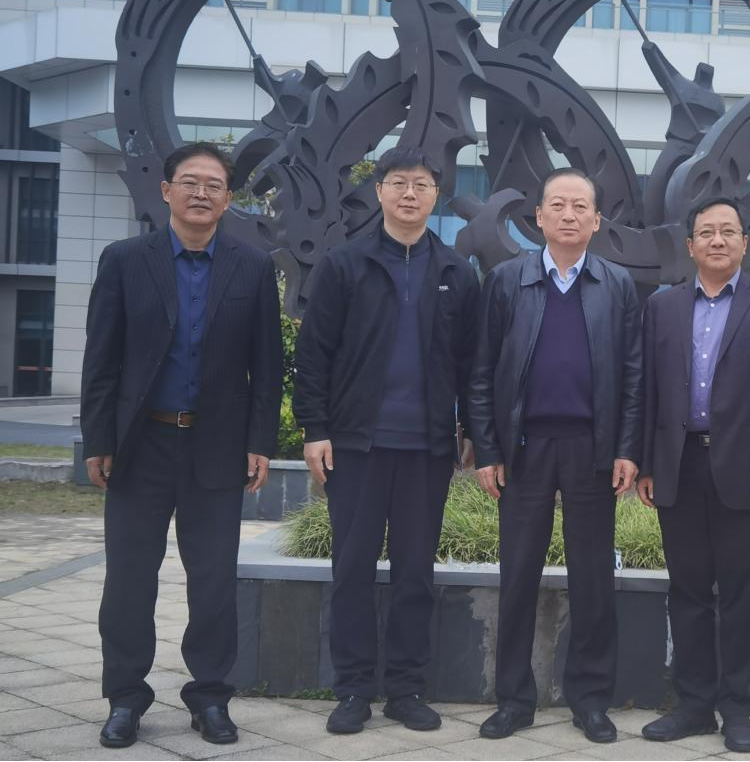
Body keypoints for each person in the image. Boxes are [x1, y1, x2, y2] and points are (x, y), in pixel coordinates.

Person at [81, 142, 282, 749]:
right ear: (166, 191)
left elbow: (267, 367)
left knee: (213, 581)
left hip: (216, 447)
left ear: (227, 198)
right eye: (190, 182)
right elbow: (101, 359)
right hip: (140, 446)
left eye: (214, 185)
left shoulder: (251, 267)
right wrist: (98, 439)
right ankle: (125, 698)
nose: (201, 193)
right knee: (129, 580)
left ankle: (211, 697)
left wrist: (260, 442)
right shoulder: (124, 260)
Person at [293, 146, 479, 735]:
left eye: (420, 184)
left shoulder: (456, 272)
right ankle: (352, 689)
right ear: (379, 192)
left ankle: (405, 688)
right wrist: (315, 429)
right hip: (356, 446)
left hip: (427, 448)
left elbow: (473, 364)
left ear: (434, 195)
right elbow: (314, 354)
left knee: (415, 572)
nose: (408, 193)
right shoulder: (345, 265)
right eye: (398, 183)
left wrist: (473, 433)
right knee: (351, 568)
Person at [469, 167, 643, 745]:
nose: (569, 215)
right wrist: (487, 449)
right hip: (524, 450)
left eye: (580, 207)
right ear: (539, 216)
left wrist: (626, 448)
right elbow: (481, 370)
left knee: (593, 579)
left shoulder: (617, 285)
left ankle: (590, 700)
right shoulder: (506, 281)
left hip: (592, 451)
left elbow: (634, 376)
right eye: (558, 205)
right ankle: (513, 699)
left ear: (596, 220)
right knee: (517, 574)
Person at [636, 197, 750, 753]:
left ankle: (736, 708)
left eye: (728, 232)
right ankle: (693, 705)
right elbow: (647, 389)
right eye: (707, 232)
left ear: (745, 243)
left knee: (740, 594)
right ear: (690, 246)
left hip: (749, 470)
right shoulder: (662, 306)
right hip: (680, 464)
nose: (718, 240)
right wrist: (647, 463)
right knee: (687, 591)